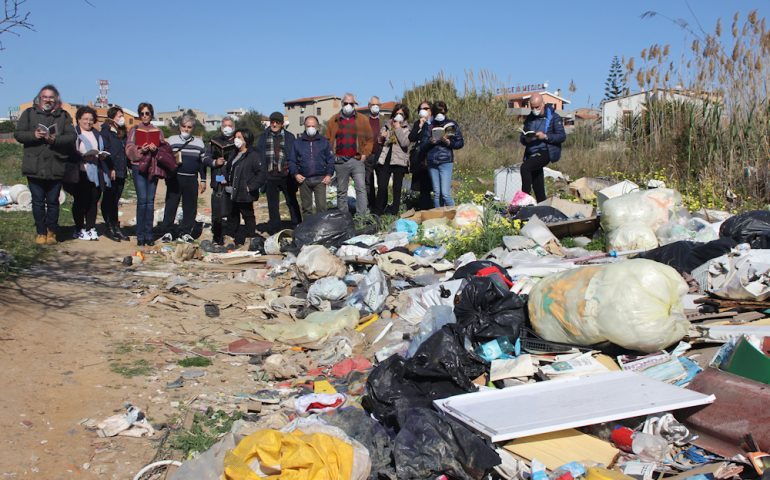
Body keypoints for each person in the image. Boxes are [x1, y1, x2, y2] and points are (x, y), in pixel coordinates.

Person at [14, 84, 77, 245]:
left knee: (53, 201)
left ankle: (52, 231)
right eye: (45, 97)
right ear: (39, 98)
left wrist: (55, 139)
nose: (48, 99)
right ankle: (41, 232)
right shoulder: (29, 114)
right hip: (34, 165)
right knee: (37, 201)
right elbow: (18, 134)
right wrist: (34, 135)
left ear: (56, 99)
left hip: (55, 165)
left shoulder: (63, 116)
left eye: (51, 97)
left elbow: (71, 137)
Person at [159, 115, 207, 243]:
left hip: (191, 179)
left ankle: (186, 232)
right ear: (180, 126)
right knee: (171, 205)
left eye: (189, 127)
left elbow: (202, 163)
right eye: (184, 126)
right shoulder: (172, 140)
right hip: (175, 178)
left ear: (193, 128)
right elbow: (165, 158)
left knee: (190, 207)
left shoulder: (199, 143)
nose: (186, 129)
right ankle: (167, 231)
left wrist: (203, 180)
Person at [325, 93, 373, 215]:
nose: (348, 106)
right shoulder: (334, 120)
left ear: (354, 104)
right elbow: (327, 139)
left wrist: (364, 154)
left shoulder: (362, 120)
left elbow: (369, 139)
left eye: (350, 103)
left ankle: (362, 216)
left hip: (356, 159)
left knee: (361, 188)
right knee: (341, 191)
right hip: (340, 160)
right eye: (345, 103)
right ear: (342, 104)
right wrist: (331, 155)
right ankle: (343, 217)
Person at [126, 102, 165, 246]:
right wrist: (140, 150)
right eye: (142, 113)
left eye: (147, 113)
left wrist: (156, 149)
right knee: (142, 200)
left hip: (152, 167)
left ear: (151, 114)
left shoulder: (158, 131)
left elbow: (164, 150)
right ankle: (140, 234)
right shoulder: (134, 130)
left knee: (150, 201)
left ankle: (149, 235)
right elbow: (129, 149)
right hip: (138, 167)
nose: (144, 116)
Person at [72, 106, 113, 241]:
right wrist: (82, 157)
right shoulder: (74, 134)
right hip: (81, 173)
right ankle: (79, 228)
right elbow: (70, 153)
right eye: (85, 119)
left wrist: (102, 156)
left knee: (93, 201)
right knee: (80, 202)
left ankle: (90, 228)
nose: (88, 122)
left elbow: (103, 149)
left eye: (91, 119)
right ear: (78, 119)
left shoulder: (97, 134)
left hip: (97, 173)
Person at [256, 111, 301, 233]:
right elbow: (259, 155)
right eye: (272, 122)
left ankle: (297, 225)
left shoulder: (290, 137)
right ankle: (275, 229)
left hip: (286, 175)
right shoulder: (263, 137)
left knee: (291, 202)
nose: (274, 124)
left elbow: (294, 155)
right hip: (270, 175)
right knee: (272, 205)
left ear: (282, 124)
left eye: (277, 122)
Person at [519, 93, 566, 202]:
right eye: (532, 107)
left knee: (525, 168)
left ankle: (523, 200)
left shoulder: (554, 117)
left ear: (543, 104)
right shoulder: (530, 118)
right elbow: (523, 137)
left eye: (537, 107)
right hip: (531, 152)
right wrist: (526, 139)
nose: (535, 109)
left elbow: (562, 136)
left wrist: (545, 136)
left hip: (546, 151)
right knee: (537, 182)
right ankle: (542, 205)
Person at [420, 100, 464, 208]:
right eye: (438, 112)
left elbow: (460, 142)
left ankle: (455, 215)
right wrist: (431, 141)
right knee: (436, 194)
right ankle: (439, 218)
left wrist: (450, 143)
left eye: (443, 112)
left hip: (445, 161)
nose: (441, 114)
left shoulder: (451, 125)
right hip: (432, 162)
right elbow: (422, 145)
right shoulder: (428, 125)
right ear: (434, 112)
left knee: (445, 194)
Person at [225, 128, 264, 246]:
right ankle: (231, 238)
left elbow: (261, 174)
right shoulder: (234, 153)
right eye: (235, 137)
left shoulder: (253, 155)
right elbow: (228, 171)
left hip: (244, 192)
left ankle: (250, 238)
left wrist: (250, 187)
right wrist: (222, 181)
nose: (236, 140)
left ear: (246, 140)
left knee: (248, 215)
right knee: (232, 215)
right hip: (231, 191)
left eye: (239, 137)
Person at [288, 115, 334, 216]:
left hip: (320, 179)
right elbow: (291, 160)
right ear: (304, 127)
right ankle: (308, 230)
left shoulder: (324, 142)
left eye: (313, 126)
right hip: (304, 180)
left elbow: (330, 160)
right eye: (308, 126)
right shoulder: (297, 143)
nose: (311, 128)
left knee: (322, 208)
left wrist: (329, 174)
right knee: (306, 209)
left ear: (317, 127)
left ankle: (322, 230)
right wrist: (295, 174)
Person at [205, 116, 237, 245]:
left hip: (233, 181)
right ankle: (217, 236)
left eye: (230, 126)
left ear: (234, 128)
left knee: (233, 210)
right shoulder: (214, 141)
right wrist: (215, 162)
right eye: (224, 126)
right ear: (221, 127)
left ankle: (232, 234)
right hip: (218, 179)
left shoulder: (238, 141)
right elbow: (205, 159)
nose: (227, 128)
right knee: (217, 210)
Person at [374, 104, 411, 215]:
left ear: (405, 116)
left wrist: (398, 128)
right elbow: (380, 141)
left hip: (399, 160)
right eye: (397, 113)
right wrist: (382, 136)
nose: (398, 116)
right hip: (386, 158)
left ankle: (394, 211)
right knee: (382, 186)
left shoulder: (407, 128)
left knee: (397, 187)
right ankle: (378, 210)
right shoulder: (387, 125)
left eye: (401, 114)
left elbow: (405, 142)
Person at [100, 106, 129, 241]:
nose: (122, 118)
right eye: (119, 116)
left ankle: (116, 226)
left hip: (122, 170)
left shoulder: (122, 132)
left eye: (122, 115)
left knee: (115, 200)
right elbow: (105, 151)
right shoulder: (106, 131)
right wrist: (110, 168)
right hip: (111, 171)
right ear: (112, 118)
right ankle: (109, 226)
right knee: (109, 200)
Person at [408, 100, 434, 210]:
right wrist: (420, 125)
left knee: (432, 185)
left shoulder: (435, 123)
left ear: (431, 110)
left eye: (426, 108)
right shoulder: (418, 123)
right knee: (423, 187)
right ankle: (423, 209)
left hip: (432, 158)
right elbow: (412, 137)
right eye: (421, 109)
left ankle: (433, 208)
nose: (423, 111)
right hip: (420, 159)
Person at [364, 96, 385, 210]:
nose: (375, 107)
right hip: (368, 156)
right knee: (368, 181)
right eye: (373, 105)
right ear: (369, 106)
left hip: (381, 155)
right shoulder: (363, 121)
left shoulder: (384, 121)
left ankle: (381, 207)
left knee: (382, 183)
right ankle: (371, 206)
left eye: (377, 105)